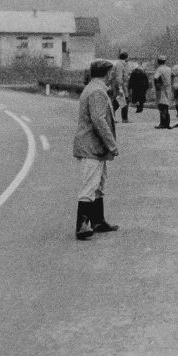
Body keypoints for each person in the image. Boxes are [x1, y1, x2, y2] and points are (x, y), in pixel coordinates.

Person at [72, 59, 120, 240]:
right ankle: (82, 225)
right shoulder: (97, 92)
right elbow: (99, 120)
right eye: (111, 72)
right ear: (107, 73)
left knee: (98, 183)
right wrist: (112, 145)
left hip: (94, 146)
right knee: (90, 184)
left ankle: (98, 221)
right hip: (92, 145)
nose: (112, 75)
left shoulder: (94, 88)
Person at [110, 50, 133, 122]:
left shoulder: (124, 64)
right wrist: (120, 88)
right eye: (128, 57)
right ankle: (123, 119)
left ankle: (119, 118)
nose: (128, 58)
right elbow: (118, 77)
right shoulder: (120, 65)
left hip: (123, 86)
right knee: (122, 101)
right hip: (121, 86)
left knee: (120, 101)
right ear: (125, 57)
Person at [153, 55, 173, 129]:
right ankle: (167, 124)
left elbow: (156, 78)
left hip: (162, 89)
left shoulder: (159, 69)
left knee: (161, 106)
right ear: (165, 61)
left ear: (158, 61)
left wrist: (157, 86)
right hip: (168, 89)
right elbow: (173, 76)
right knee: (166, 106)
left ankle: (162, 123)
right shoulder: (169, 69)